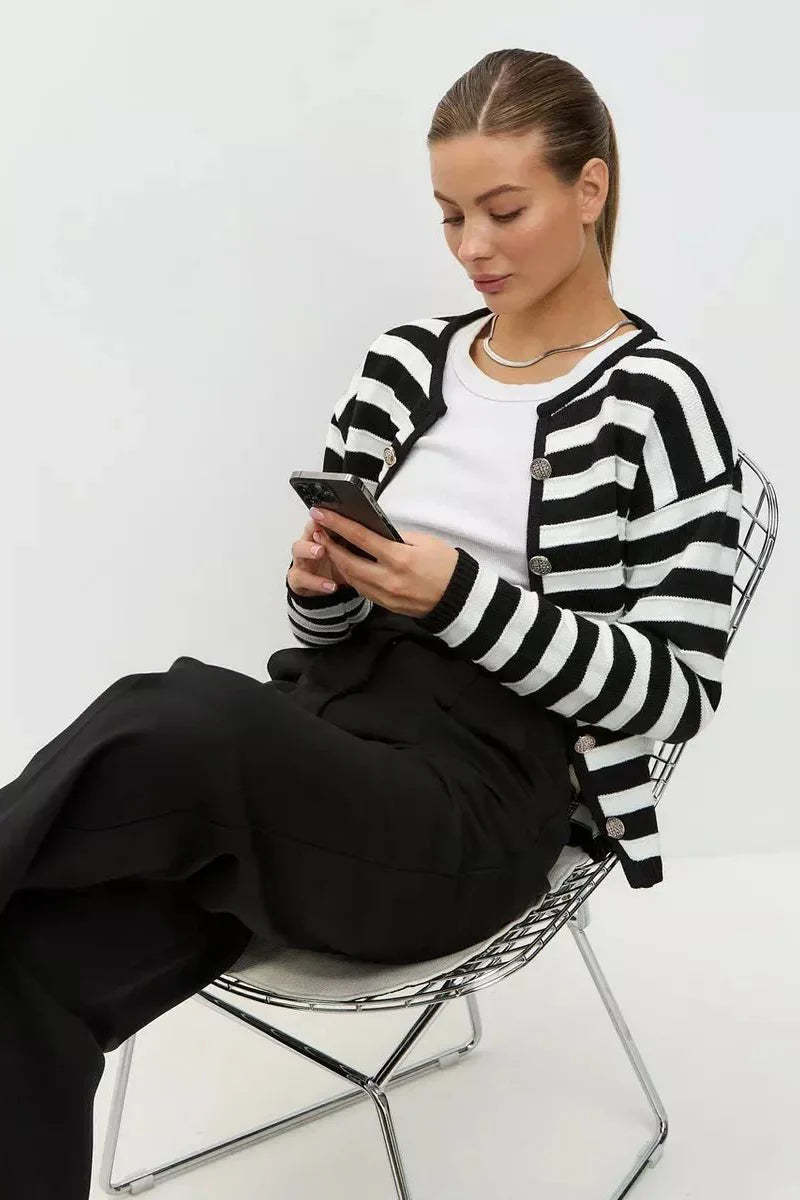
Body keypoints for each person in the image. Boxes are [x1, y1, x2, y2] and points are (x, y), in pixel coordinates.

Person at [0, 48, 741, 1200]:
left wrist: (458, 600)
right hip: (324, 751)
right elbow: (330, 637)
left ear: (587, 189)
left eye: (503, 210)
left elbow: (671, 694)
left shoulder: (659, 403)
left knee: (178, 713)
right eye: (449, 215)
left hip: (476, 803)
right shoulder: (403, 366)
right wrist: (324, 588)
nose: (471, 246)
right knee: (28, 968)